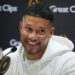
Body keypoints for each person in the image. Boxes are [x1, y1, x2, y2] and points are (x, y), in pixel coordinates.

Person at [3, 3, 75, 75]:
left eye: (41, 31)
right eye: (29, 28)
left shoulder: (69, 61)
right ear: (21, 27)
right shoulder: (7, 57)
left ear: (50, 33)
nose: (32, 37)